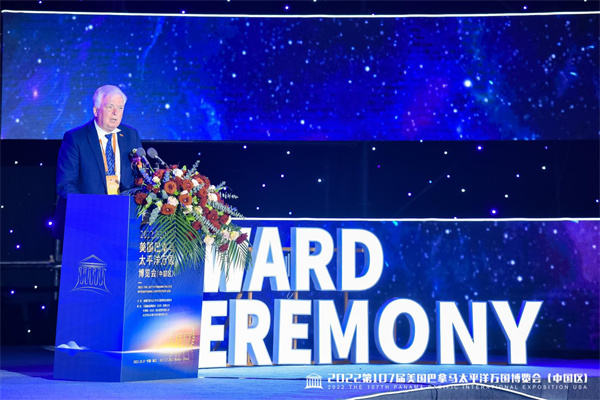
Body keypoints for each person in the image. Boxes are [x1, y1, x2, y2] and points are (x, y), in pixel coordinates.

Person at [54, 85, 142, 240]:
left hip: (122, 221)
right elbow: (65, 184)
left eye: (120, 108)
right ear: (96, 111)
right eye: (110, 107)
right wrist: (90, 209)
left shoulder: (131, 135)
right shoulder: (76, 138)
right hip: (86, 223)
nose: (116, 113)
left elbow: (139, 176)